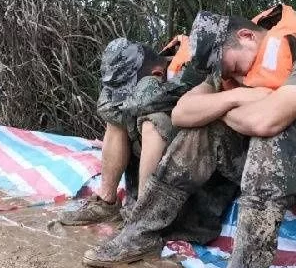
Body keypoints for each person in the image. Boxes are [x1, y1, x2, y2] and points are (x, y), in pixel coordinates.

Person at [83, 4, 296, 268]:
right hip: (271, 168)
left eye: (231, 66)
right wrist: (236, 97)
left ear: (246, 36)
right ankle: (142, 231)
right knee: (201, 129)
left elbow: (268, 121)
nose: (231, 76)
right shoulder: (229, 65)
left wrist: (220, 108)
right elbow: (182, 113)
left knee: (274, 134)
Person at [58, 34, 199, 225]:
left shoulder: (190, 70)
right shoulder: (146, 69)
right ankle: (106, 202)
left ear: (157, 74)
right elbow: (107, 106)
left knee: (153, 122)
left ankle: (143, 215)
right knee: (116, 121)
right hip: (153, 157)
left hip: (190, 156)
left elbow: (145, 100)